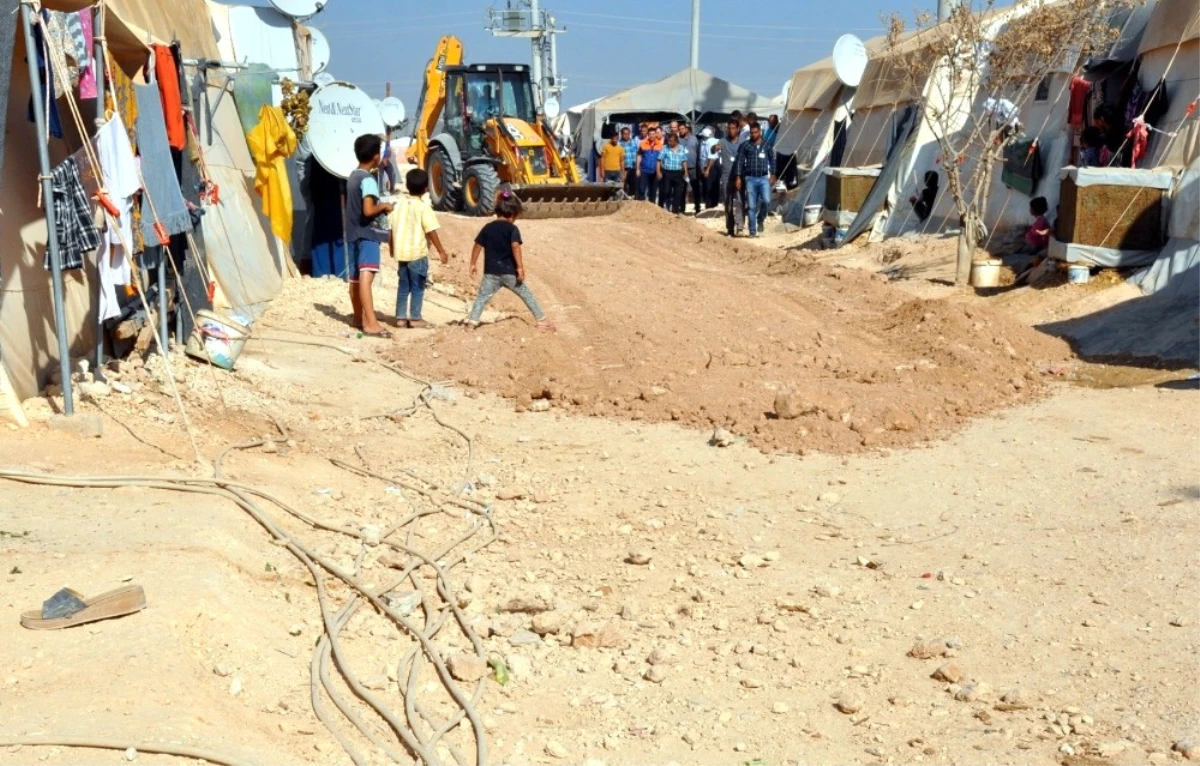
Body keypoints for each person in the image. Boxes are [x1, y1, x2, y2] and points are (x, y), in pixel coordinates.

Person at [467, 189, 553, 331]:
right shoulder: (512, 229)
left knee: (482, 298)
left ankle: (471, 323)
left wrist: (472, 263)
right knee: (526, 294)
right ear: (512, 214)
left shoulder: (487, 228)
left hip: (491, 273)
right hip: (509, 273)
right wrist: (519, 267)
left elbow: (477, 245)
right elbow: (515, 246)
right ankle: (542, 321)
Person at [345, 134, 394, 337]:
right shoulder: (368, 180)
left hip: (352, 233)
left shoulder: (352, 176)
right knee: (367, 276)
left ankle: (358, 317)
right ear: (375, 157)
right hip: (367, 234)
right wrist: (384, 205)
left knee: (355, 279)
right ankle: (371, 323)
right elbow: (368, 210)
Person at [390, 168, 450, 329]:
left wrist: (391, 248)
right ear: (426, 189)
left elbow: (391, 229)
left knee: (403, 286)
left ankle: (401, 318)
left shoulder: (398, 206)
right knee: (418, 286)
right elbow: (431, 230)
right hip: (417, 254)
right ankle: (415, 317)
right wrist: (441, 251)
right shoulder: (423, 208)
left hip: (402, 254)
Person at [735, 121, 777, 238]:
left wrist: (773, 174)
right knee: (752, 206)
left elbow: (772, 160)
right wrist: (738, 177)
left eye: (756, 132)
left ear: (760, 132)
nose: (754, 134)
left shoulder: (767, 145)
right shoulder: (745, 145)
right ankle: (752, 231)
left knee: (766, 201)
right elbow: (739, 162)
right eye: (752, 133)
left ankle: (760, 219)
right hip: (750, 178)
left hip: (763, 178)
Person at [717, 118, 746, 236]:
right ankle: (730, 227)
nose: (731, 131)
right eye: (729, 128)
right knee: (727, 202)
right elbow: (713, 149)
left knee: (740, 201)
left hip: (739, 176)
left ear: (738, 129)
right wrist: (714, 148)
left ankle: (740, 225)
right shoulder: (723, 141)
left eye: (733, 128)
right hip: (726, 176)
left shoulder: (743, 141)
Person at [657, 132, 690, 215]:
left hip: (678, 172)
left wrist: (686, 172)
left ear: (676, 141)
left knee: (678, 192)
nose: (669, 143)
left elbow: (684, 161)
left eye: (671, 141)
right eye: (668, 141)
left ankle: (675, 210)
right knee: (666, 190)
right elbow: (659, 160)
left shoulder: (681, 148)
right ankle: (665, 205)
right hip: (667, 172)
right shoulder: (665, 148)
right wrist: (658, 171)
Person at [678, 122, 703, 215]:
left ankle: (697, 208)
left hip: (693, 168)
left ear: (687, 129)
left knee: (696, 188)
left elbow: (698, 152)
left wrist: (699, 166)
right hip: (681, 168)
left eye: (682, 129)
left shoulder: (694, 139)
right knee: (682, 189)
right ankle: (682, 209)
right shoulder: (678, 139)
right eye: (679, 129)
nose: (681, 131)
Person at [637, 125, 663, 204]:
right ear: (648, 135)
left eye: (653, 134)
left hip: (655, 171)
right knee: (642, 190)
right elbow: (639, 156)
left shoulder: (660, 145)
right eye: (650, 134)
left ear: (656, 134)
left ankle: (652, 210)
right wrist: (637, 169)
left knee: (653, 191)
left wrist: (660, 171)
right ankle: (641, 208)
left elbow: (661, 159)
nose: (652, 135)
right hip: (644, 170)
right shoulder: (642, 143)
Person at [699, 126, 721, 209]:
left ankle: (712, 205)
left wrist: (707, 170)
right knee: (706, 186)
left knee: (711, 187)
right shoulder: (703, 142)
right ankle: (708, 204)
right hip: (705, 166)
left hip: (712, 167)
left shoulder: (712, 142)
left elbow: (712, 157)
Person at [619, 126, 640, 197]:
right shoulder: (619, 144)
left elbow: (638, 153)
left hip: (633, 167)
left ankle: (632, 202)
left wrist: (638, 167)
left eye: (628, 133)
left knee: (633, 187)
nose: (626, 135)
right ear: (621, 134)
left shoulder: (634, 142)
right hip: (624, 168)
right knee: (623, 186)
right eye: (624, 134)